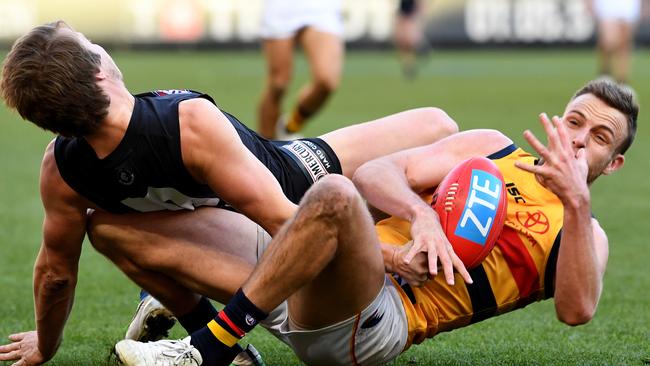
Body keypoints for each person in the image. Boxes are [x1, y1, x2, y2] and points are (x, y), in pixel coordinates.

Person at [0, 20, 460, 366]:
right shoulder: (186, 122)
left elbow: (55, 273)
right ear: (100, 73)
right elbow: (287, 220)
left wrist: (47, 342)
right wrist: (393, 258)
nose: (98, 46)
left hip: (228, 232)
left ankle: (177, 307)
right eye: (91, 45)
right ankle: (208, 337)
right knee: (440, 128)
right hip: (301, 185)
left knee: (104, 230)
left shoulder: (59, 169)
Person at [107, 79, 636, 365]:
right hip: (312, 276)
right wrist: (421, 214)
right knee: (109, 227)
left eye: (598, 138)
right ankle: (226, 345)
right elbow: (380, 172)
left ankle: (204, 350)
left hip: (374, 318)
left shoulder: (586, 235)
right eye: (574, 121)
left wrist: (577, 203)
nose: (577, 139)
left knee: (332, 193)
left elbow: (577, 310)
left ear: (611, 164)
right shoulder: (490, 149)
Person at [257, 0, 344, 139]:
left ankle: (290, 127)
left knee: (326, 81)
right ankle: (262, 151)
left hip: (322, 7)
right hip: (282, 7)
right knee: (278, 84)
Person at [590, 0, 641, 83]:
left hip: (628, 4)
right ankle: (605, 72)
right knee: (608, 41)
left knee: (625, 44)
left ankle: (622, 81)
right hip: (608, 4)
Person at [394, 0, 427, 79]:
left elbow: (419, 5)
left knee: (408, 41)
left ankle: (420, 46)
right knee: (402, 43)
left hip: (409, 15)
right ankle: (408, 65)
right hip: (404, 14)